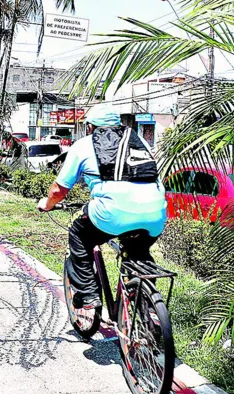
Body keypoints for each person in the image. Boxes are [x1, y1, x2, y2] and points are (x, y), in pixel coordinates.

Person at [37, 104, 167, 310]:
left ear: (91, 127)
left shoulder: (84, 145)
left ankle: (88, 293)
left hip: (110, 215)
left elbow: (58, 191)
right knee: (138, 250)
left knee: (78, 233)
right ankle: (146, 304)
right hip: (155, 215)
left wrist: (46, 204)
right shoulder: (139, 141)